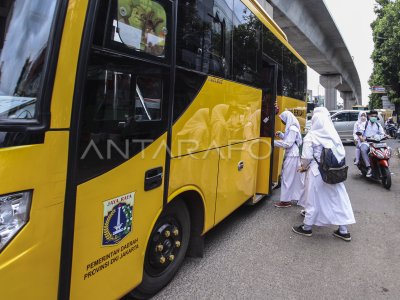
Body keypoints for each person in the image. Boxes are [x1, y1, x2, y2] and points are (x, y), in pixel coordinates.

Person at [293, 107, 355, 241]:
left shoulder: (311, 136)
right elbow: (342, 155)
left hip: (316, 173)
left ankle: (307, 227)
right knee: (338, 200)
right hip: (333, 174)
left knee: (313, 200)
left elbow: (306, 158)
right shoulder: (334, 136)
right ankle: (343, 230)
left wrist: (303, 167)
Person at [273, 111, 305, 208]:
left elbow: (288, 144)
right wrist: (281, 135)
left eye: (283, 120)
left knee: (287, 177)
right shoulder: (292, 128)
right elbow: (290, 139)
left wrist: (272, 142)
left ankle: (285, 201)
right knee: (295, 178)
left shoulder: (292, 128)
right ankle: (300, 198)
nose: (282, 122)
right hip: (293, 154)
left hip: (292, 155)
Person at [360, 110, 385, 177]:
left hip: (376, 142)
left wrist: (385, 136)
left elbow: (382, 133)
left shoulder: (378, 124)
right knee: (363, 149)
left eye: (375, 116)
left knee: (386, 150)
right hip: (366, 142)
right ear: (369, 116)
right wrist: (361, 138)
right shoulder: (364, 124)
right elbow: (360, 133)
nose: (374, 117)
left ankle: (383, 166)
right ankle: (369, 167)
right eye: (372, 116)